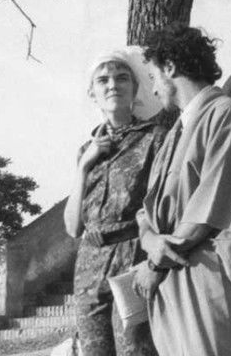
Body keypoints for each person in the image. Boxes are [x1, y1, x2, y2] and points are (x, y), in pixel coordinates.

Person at [133, 24, 231, 356]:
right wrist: (150, 241)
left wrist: (155, 264)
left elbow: (206, 213)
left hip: (207, 282)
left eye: (152, 77)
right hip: (172, 283)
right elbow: (147, 213)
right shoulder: (176, 132)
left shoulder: (227, 116)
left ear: (169, 67)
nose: (152, 90)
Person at [64, 49, 167, 356]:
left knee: (135, 349)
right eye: (103, 80)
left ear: (135, 89)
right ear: (92, 93)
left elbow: (164, 206)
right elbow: (73, 228)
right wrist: (85, 165)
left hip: (132, 256)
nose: (112, 85)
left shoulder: (155, 138)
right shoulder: (87, 149)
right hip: (89, 263)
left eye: (122, 78)